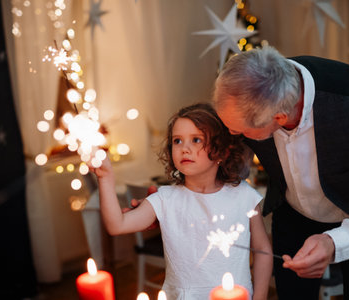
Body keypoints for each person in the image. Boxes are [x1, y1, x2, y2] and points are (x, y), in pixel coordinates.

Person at [213, 45, 349, 299]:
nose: (232, 135)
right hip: (292, 216)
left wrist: (333, 242)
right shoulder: (253, 88)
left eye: (240, 130)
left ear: (278, 118)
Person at [92, 103, 273, 299]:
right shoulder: (165, 199)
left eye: (196, 140)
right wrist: (105, 179)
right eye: (177, 141)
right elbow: (117, 225)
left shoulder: (243, 196)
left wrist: (260, 296)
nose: (184, 148)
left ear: (222, 151)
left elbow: (262, 249)